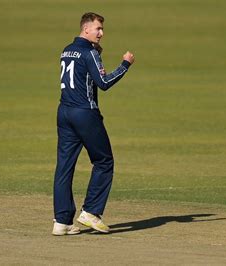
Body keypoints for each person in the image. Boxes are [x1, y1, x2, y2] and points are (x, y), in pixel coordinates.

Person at [52, 12, 135, 236]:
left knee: (64, 167)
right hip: (84, 114)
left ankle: (61, 221)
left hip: (64, 112)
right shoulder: (89, 52)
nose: (101, 33)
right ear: (86, 28)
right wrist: (125, 65)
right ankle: (91, 212)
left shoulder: (66, 50)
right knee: (104, 161)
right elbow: (104, 83)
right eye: (98, 29)